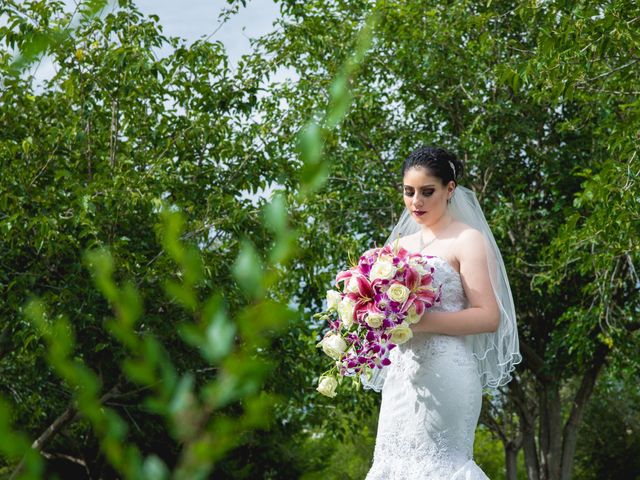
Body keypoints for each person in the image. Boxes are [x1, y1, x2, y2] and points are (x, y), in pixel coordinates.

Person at [364, 145, 521, 479]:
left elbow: (488, 316)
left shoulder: (468, 240)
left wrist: (418, 322)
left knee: (439, 465)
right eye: (409, 192)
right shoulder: (396, 249)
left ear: (450, 189)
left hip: (447, 372)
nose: (416, 202)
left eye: (427, 192)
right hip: (403, 377)